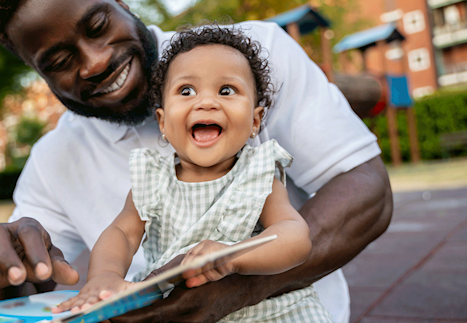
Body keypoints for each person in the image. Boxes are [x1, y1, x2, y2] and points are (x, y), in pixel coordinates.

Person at [0, 0, 393, 322]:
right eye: (59, 61)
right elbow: (53, 268)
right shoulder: (56, 161)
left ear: (119, 0)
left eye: (99, 25)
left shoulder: (251, 62)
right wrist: (2, 275)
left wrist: (232, 288)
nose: (96, 62)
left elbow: (366, 190)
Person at [53, 25, 333, 322]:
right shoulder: (153, 180)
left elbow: (294, 237)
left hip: (269, 312)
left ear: (255, 120)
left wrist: (235, 255)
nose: (206, 102)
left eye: (227, 90)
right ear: (162, 121)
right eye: (186, 91)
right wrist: (105, 276)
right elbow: (121, 232)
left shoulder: (257, 173)